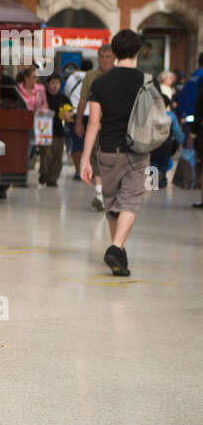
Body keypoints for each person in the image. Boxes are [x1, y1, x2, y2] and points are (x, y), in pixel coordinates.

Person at [81, 30, 150, 277]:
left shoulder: (100, 83)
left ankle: (118, 253)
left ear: (115, 52)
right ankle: (116, 247)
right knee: (130, 200)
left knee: (112, 204)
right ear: (137, 52)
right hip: (137, 151)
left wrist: (84, 159)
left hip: (107, 151)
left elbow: (93, 122)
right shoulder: (146, 81)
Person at [76, 43, 115, 210]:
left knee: (112, 159)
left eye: (108, 57)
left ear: (114, 58)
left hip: (114, 125)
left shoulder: (118, 75)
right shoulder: (91, 76)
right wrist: (78, 122)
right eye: (102, 57)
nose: (105, 60)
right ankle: (99, 192)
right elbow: (83, 100)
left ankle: (109, 192)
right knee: (96, 156)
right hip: (95, 124)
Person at [38, 73, 69, 187]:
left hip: (58, 131)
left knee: (57, 156)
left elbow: (70, 113)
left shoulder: (63, 98)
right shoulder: (42, 97)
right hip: (44, 130)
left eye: (57, 83)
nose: (55, 86)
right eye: (52, 83)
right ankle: (44, 173)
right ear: (47, 84)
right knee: (45, 154)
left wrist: (68, 115)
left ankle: (53, 179)